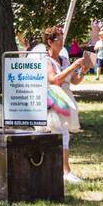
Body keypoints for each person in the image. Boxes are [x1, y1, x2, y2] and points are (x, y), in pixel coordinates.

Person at [33, 26, 87, 184]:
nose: (63, 41)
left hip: (66, 97)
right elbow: (54, 80)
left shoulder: (64, 59)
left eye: (63, 38)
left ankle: (58, 169)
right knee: (60, 133)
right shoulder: (46, 60)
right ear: (50, 42)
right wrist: (74, 66)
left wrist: (83, 70)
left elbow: (74, 81)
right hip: (53, 98)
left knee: (62, 134)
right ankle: (65, 171)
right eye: (59, 39)